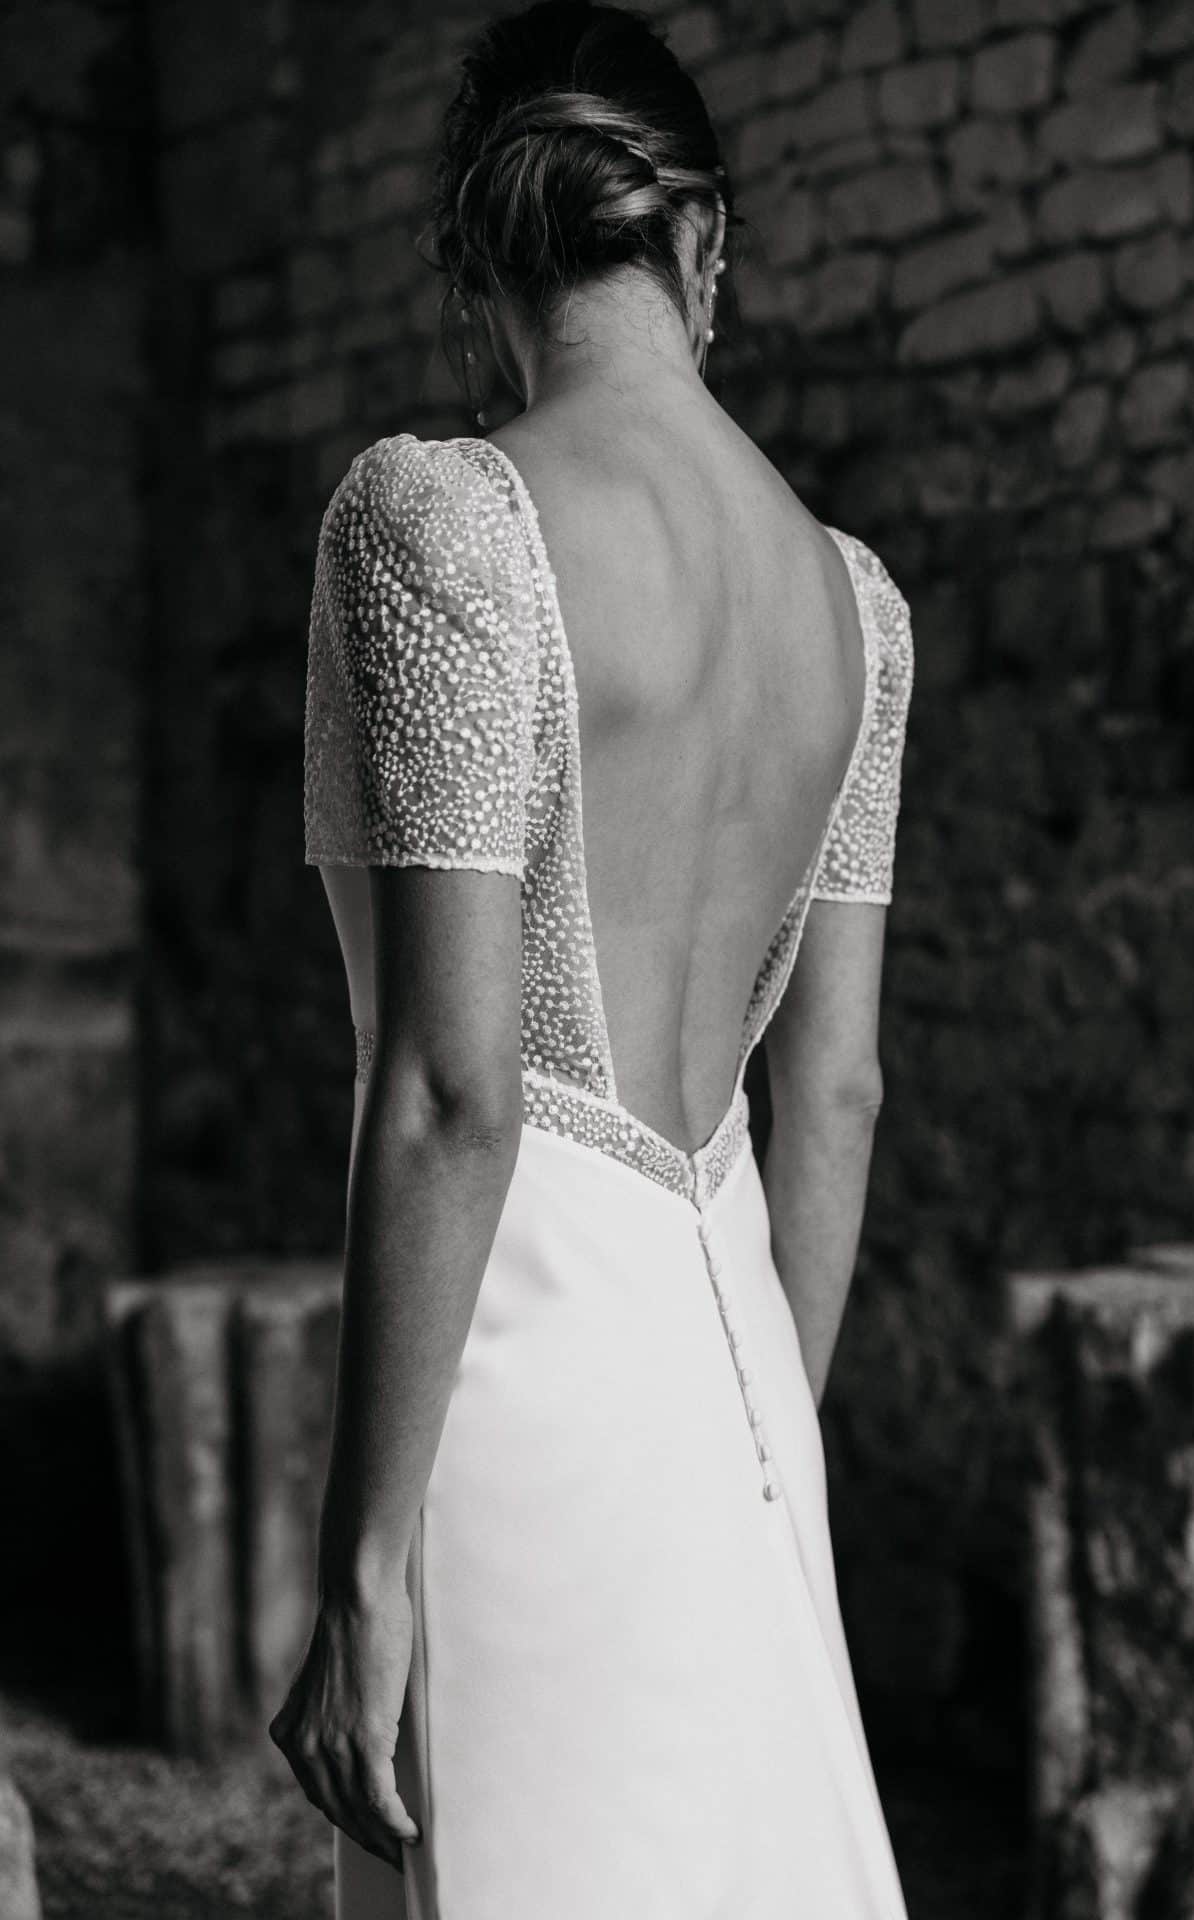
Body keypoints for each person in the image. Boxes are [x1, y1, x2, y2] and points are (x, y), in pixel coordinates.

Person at [271, 2, 914, 1913]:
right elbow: (837, 1091)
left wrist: (362, 1569)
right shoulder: (853, 607)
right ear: (700, 242)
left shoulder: (442, 522)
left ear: (478, 264)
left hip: (516, 1367)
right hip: (741, 1360)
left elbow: (454, 1090)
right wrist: (761, 1457)